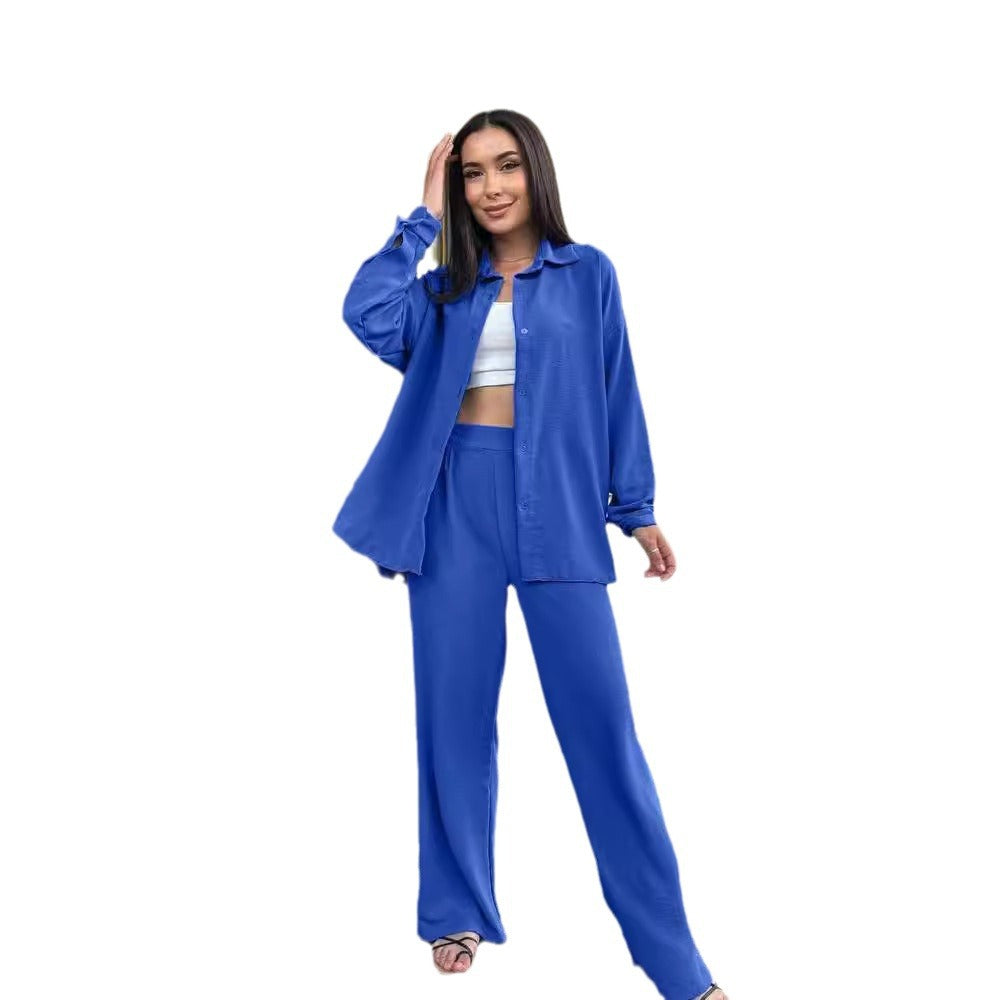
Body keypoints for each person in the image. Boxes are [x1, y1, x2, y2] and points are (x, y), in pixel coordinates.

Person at [332, 109, 729, 1000]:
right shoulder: (442, 291)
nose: (492, 187)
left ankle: (672, 958)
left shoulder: (588, 274)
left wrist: (636, 508)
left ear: (535, 171)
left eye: (506, 166)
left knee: (603, 731)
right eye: (471, 174)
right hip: (452, 507)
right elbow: (365, 311)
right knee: (453, 718)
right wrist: (421, 220)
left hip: (558, 507)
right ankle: (456, 907)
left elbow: (617, 386)